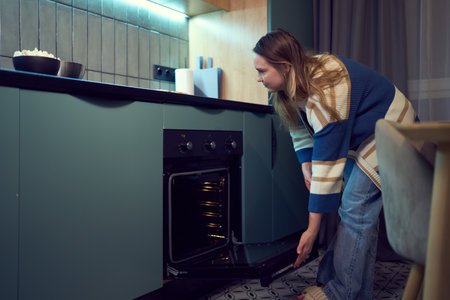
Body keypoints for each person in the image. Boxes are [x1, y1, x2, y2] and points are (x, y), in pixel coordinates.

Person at [252, 29, 418, 300]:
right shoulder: (290, 86)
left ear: (284, 67)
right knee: (358, 211)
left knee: (355, 206)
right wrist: (306, 164)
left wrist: (312, 230)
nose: (258, 78)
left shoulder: (326, 89)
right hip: (365, 134)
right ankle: (346, 289)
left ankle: (340, 292)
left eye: (262, 71)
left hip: (393, 127)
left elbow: (328, 163)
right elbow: (300, 130)